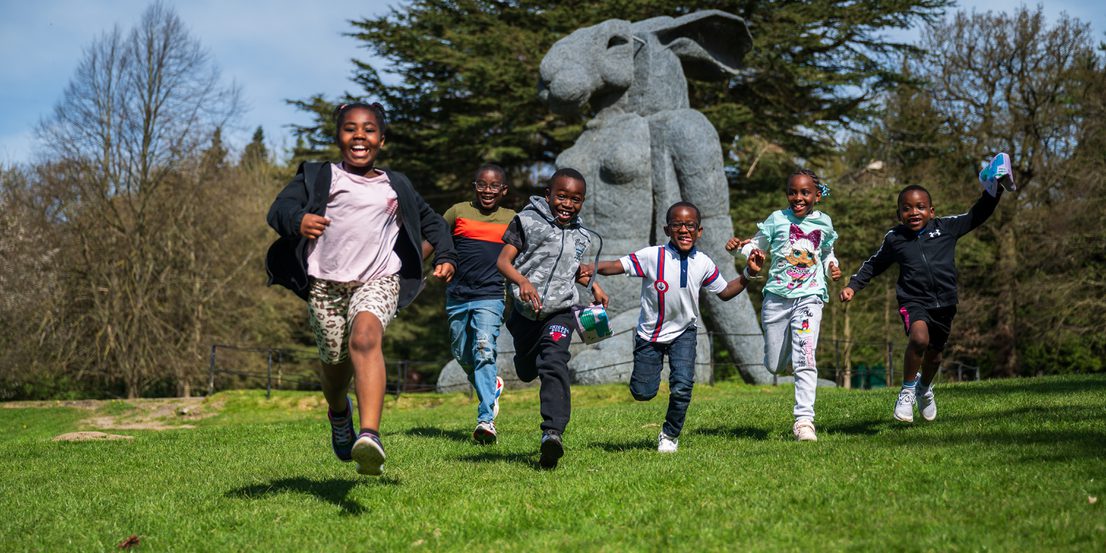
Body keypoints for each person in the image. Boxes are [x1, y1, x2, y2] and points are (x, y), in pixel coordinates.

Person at [266, 102, 457, 476]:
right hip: (325, 287)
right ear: (338, 136)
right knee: (335, 370)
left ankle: (369, 436)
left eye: (369, 130)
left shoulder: (395, 185)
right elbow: (279, 209)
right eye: (350, 128)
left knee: (366, 340)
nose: (359, 136)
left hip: (378, 279)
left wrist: (445, 254)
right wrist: (298, 219)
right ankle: (340, 414)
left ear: (381, 140)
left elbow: (432, 221)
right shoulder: (319, 175)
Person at [840, 160, 1009, 423]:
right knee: (918, 339)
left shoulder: (946, 228)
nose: (914, 212)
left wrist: (995, 188)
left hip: (945, 302)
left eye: (920, 207)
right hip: (913, 300)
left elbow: (978, 214)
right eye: (906, 209)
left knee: (935, 354)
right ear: (899, 215)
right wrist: (853, 285)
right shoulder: (895, 239)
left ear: (931, 211)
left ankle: (924, 388)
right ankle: (907, 391)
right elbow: (874, 263)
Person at [590, 202, 764, 452]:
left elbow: (725, 292)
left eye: (690, 225)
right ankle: (645, 382)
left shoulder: (703, 262)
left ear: (699, 231)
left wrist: (748, 273)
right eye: (677, 225)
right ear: (667, 229)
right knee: (642, 392)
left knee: (683, 385)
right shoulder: (653, 256)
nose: (684, 229)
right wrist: (590, 269)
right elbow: (618, 265)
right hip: (649, 335)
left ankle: (669, 435)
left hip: (684, 332)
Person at [497, 168, 608, 469]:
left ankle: (552, 434)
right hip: (525, 312)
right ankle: (526, 360)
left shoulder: (583, 235)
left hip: (561, 310)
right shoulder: (526, 221)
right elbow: (503, 261)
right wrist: (522, 281)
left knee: (554, 361)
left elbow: (571, 267)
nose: (568, 204)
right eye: (561, 196)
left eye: (576, 199)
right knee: (527, 369)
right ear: (548, 195)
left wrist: (593, 284)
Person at [727, 169, 841, 442]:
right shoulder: (777, 220)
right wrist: (736, 249)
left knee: (805, 359)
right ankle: (790, 349)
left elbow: (826, 252)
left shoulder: (824, 223)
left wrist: (832, 267)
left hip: (810, 298)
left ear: (816, 195)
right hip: (776, 300)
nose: (798, 197)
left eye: (805, 192)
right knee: (775, 366)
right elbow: (755, 247)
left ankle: (804, 421)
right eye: (793, 192)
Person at [442, 164, 516, 444]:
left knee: (484, 349)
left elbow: (528, 252)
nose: (487, 191)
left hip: (491, 294)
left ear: (504, 190)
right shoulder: (457, 211)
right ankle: (491, 385)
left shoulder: (512, 219)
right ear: (474, 186)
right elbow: (435, 240)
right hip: (457, 295)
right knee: (462, 352)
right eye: (482, 185)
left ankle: (486, 420)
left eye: (494, 186)